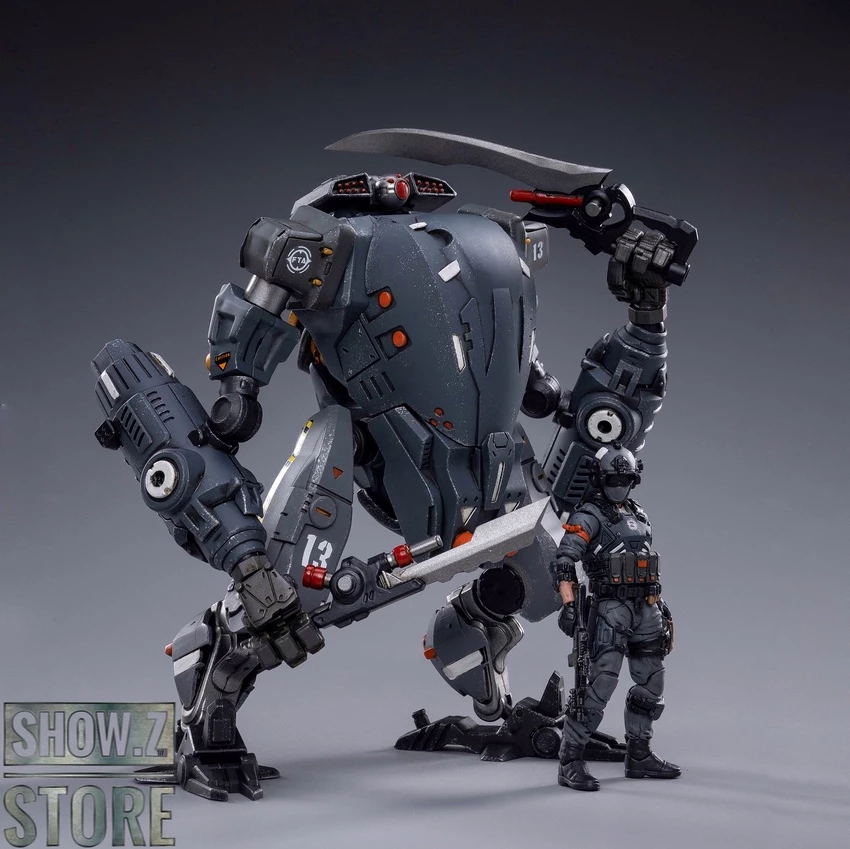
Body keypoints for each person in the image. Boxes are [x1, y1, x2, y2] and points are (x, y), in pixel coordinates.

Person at [550, 444, 680, 791]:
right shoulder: (588, 515)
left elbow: (643, 559)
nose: (620, 485)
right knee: (600, 684)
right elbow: (564, 561)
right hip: (611, 607)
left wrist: (659, 606)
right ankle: (570, 760)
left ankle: (639, 754)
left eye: (626, 479)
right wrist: (569, 604)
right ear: (600, 478)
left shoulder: (638, 513)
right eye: (614, 479)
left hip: (646, 606)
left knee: (652, 683)